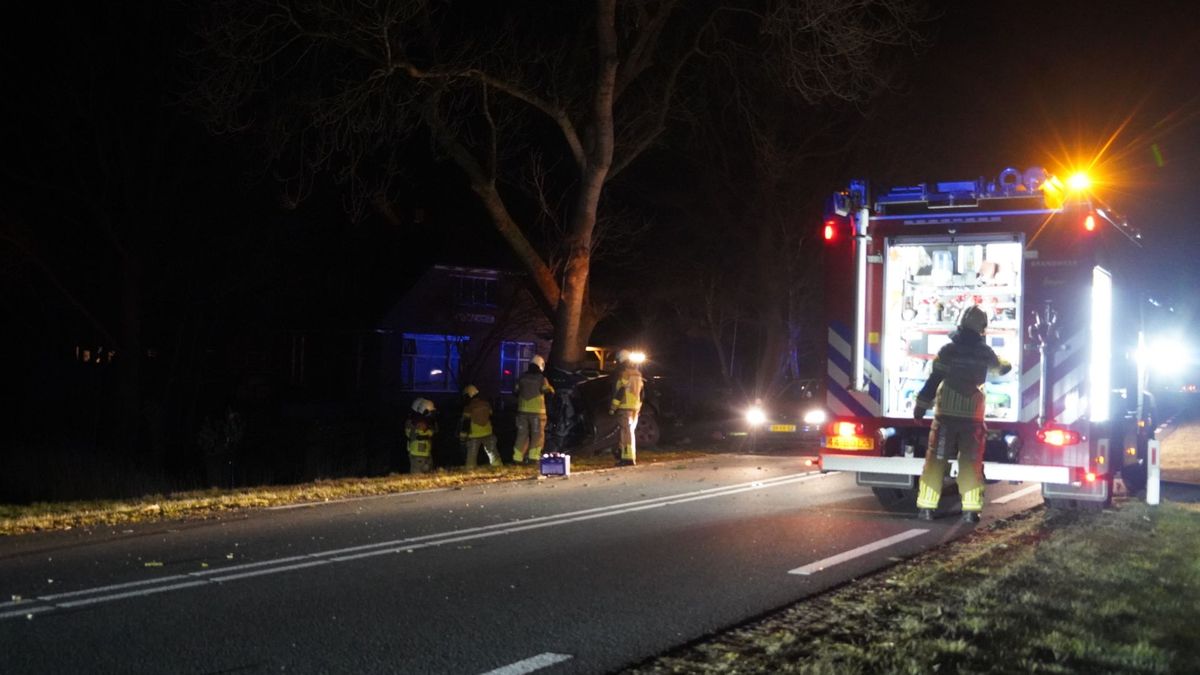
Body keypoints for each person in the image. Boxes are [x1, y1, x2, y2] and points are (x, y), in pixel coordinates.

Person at [913, 305, 1012, 523]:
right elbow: (1001, 368)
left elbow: (933, 380)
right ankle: (971, 511)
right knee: (971, 462)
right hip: (972, 417)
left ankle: (926, 509)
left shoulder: (948, 350)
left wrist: (921, 405)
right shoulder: (985, 352)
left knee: (936, 460)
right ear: (982, 328)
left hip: (945, 416)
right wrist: (1007, 362)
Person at [513, 355, 554, 464]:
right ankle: (533, 458)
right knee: (537, 435)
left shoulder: (521, 377)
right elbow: (548, 392)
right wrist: (551, 389)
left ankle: (517, 458)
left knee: (522, 434)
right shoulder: (541, 379)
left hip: (522, 412)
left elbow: (515, 392)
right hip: (537, 413)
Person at [609, 350, 645, 467]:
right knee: (630, 432)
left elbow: (620, 391)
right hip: (635, 407)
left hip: (625, 407)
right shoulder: (638, 374)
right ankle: (626, 456)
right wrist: (639, 406)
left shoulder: (624, 374)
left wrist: (613, 408)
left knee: (626, 433)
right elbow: (642, 393)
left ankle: (628, 459)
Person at [460, 384, 501, 468]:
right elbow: (492, 417)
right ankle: (498, 468)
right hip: (488, 433)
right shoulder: (486, 404)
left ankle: (470, 472)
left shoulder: (468, 407)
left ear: (469, 395)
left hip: (473, 435)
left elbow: (465, 424)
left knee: (471, 456)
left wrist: (462, 438)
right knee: (493, 453)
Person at [405, 397, 438, 474]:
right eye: (431, 412)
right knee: (417, 479)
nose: (432, 415)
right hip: (418, 455)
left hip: (425, 454)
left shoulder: (418, 421)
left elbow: (433, 430)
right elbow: (429, 431)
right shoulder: (417, 423)